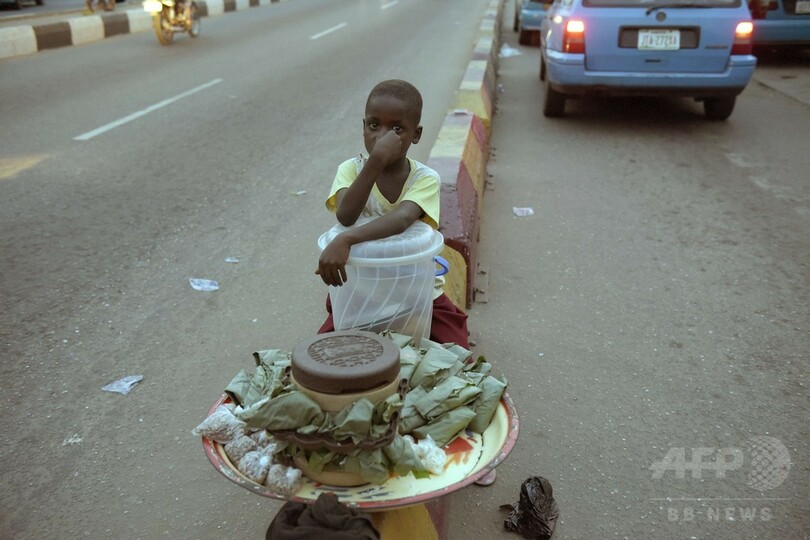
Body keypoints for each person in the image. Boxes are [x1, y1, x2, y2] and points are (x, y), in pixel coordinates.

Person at [315, 79, 470, 349]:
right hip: (361, 290)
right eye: (374, 125)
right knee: (324, 354)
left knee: (457, 354)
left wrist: (346, 240)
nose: (382, 137)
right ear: (363, 126)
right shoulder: (350, 170)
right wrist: (374, 163)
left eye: (396, 128)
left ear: (416, 134)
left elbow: (402, 219)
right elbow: (346, 215)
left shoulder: (424, 178)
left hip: (416, 291)